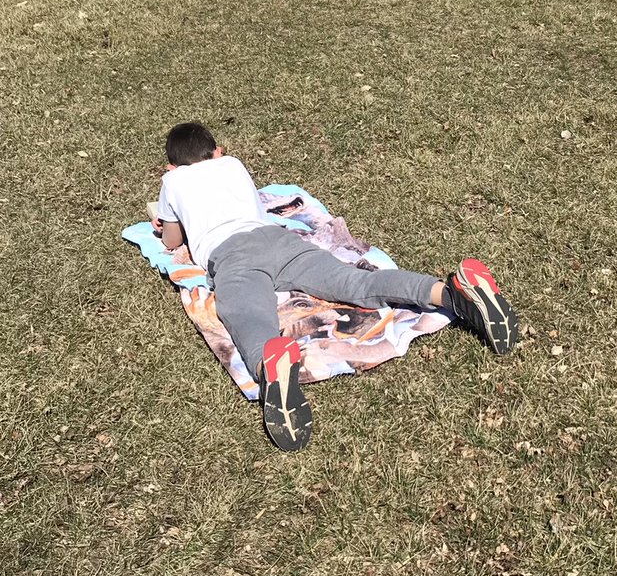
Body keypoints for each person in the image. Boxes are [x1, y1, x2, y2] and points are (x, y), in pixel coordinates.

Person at [156, 122, 519, 452]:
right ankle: (451, 292)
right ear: (218, 151)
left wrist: (164, 223)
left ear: (172, 167)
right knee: (356, 282)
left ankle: (271, 364)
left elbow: (172, 240)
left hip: (232, 256)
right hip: (279, 242)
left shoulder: (172, 182)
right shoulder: (232, 165)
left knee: (247, 313)